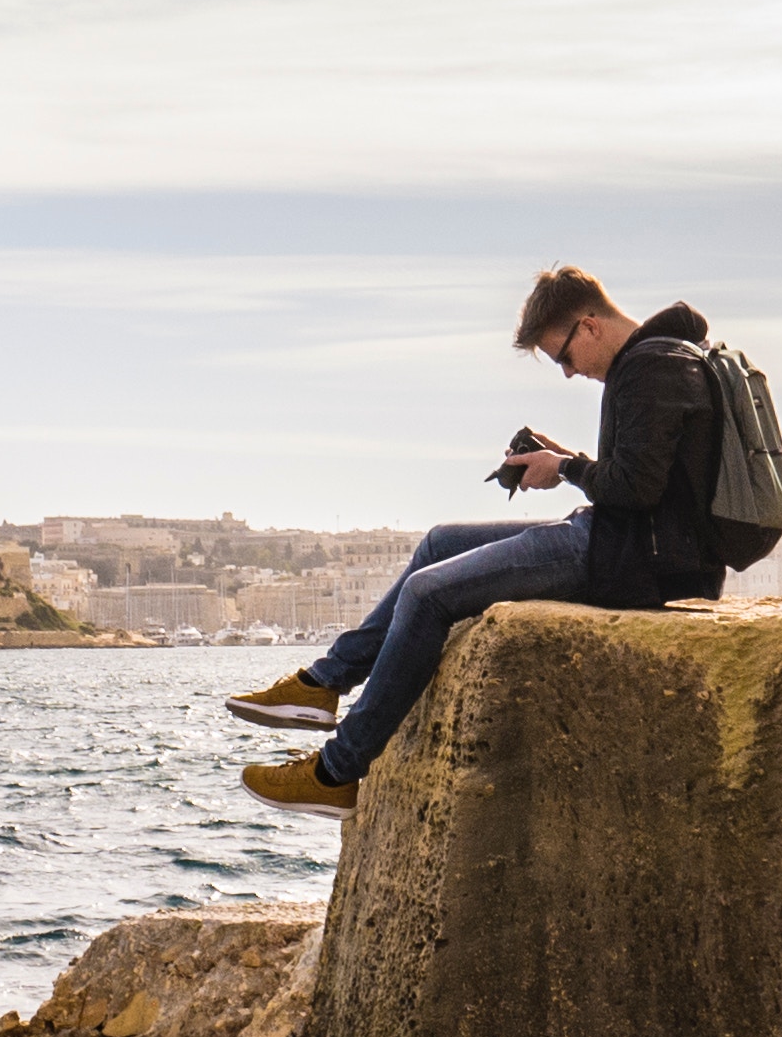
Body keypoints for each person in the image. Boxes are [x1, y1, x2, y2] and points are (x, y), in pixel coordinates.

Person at [226, 267, 727, 815]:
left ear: (588, 326)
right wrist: (565, 460)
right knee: (439, 542)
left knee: (427, 593)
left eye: (563, 356)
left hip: (633, 558)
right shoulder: (658, 361)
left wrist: (564, 467)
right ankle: (322, 683)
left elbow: (637, 488)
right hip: (621, 538)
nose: (568, 372)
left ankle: (335, 774)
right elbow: (648, 478)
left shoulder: (652, 367)